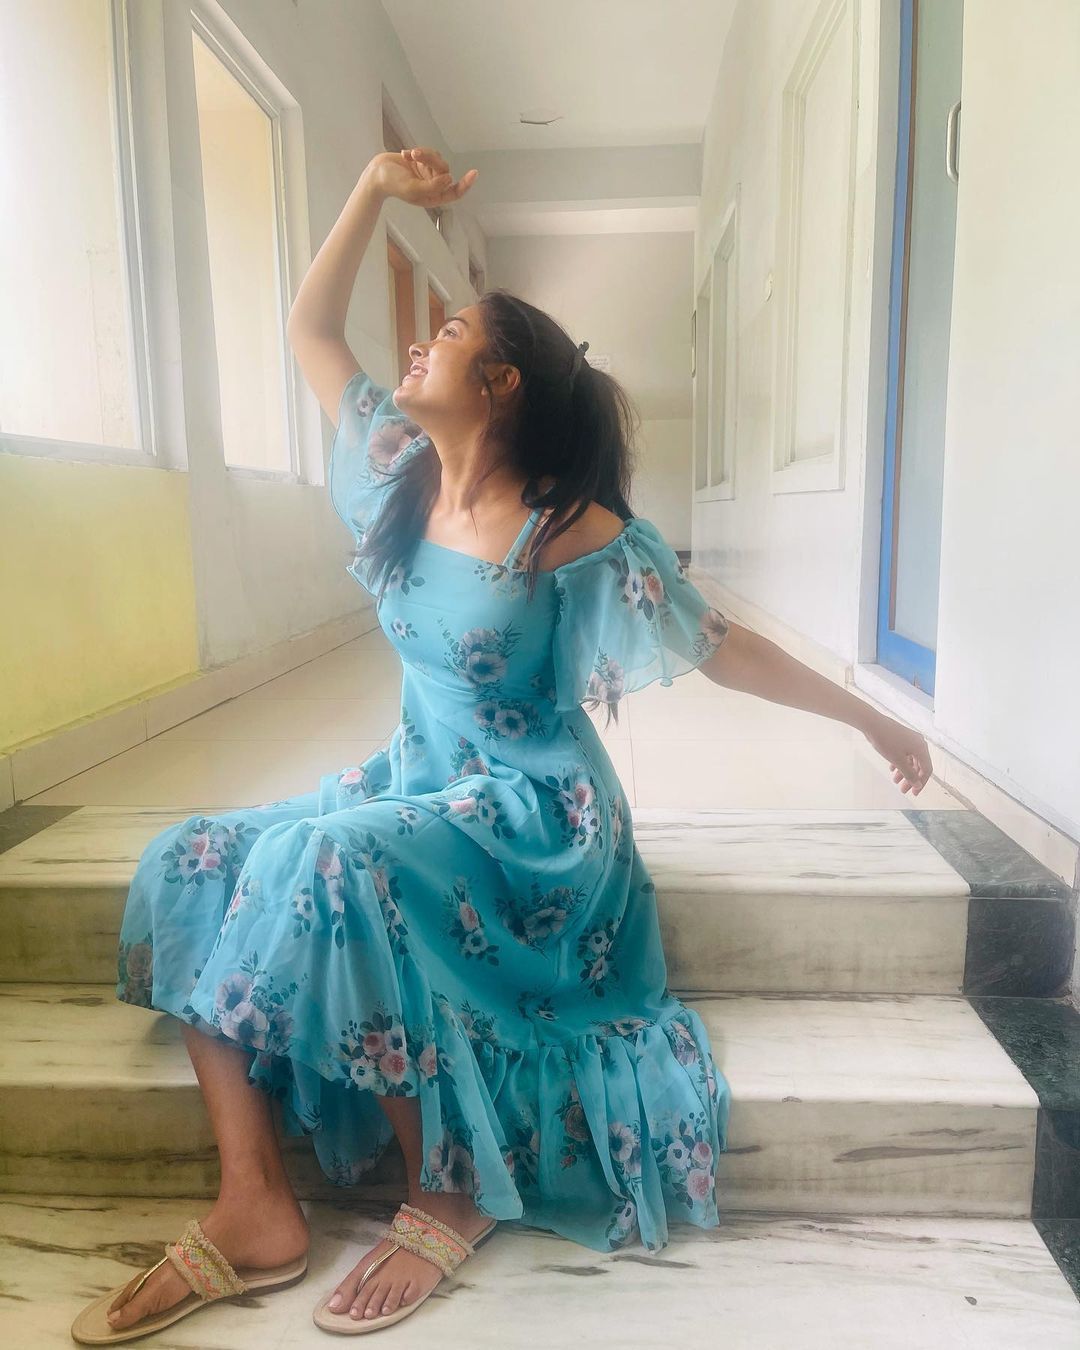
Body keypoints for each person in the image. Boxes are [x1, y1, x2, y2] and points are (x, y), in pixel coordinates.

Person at [73, 147, 932, 1343]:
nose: (417, 343)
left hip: (535, 820)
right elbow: (310, 330)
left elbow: (721, 645)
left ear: (503, 379)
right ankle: (254, 1202)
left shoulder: (567, 530)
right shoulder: (394, 468)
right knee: (188, 859)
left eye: (451, 331)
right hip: (418, 777)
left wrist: (875, 716)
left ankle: (453, 1185)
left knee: (335, 858)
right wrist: (372, 188)